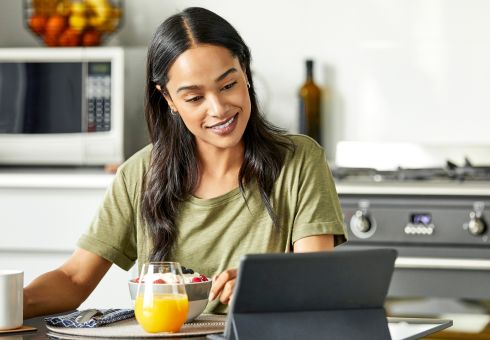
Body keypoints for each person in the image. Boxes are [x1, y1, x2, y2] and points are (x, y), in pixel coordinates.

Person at [23, 7, 346, 317]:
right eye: (194, 98)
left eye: (228, 85)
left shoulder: (299, 160)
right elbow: (75, 279)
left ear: (245, 72)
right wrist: (12, 302)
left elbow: (314, 276)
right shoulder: (140, 173)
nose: (218, 108)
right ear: (168, 99)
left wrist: (267, 282)